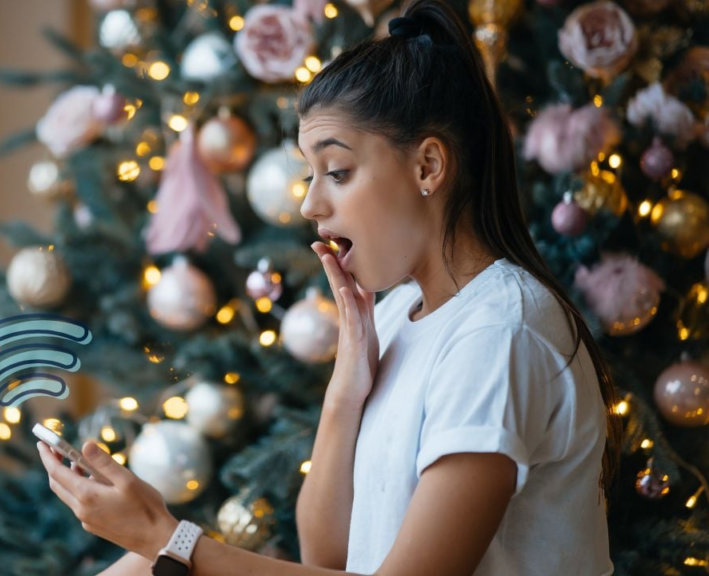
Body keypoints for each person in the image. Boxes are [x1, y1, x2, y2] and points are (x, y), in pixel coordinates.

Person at [37, 0, 622, 574]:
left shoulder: (499, 334)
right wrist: (346, 390)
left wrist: (173, 542)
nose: (312, 204)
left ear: (427, 167)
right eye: (309, 175)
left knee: (149, 563)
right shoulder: (397, 317)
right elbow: (330, 557)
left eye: (337, 172)